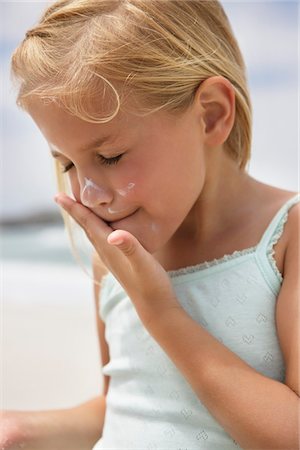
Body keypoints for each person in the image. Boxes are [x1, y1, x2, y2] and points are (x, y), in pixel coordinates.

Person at [3, 0, 299, 449]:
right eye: (67, 164)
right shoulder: (115, 257)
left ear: (212, 115)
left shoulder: (287, 238)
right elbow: (129, 402)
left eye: (110, 157)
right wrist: (21, 431)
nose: (89, 193)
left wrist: (160, 311)